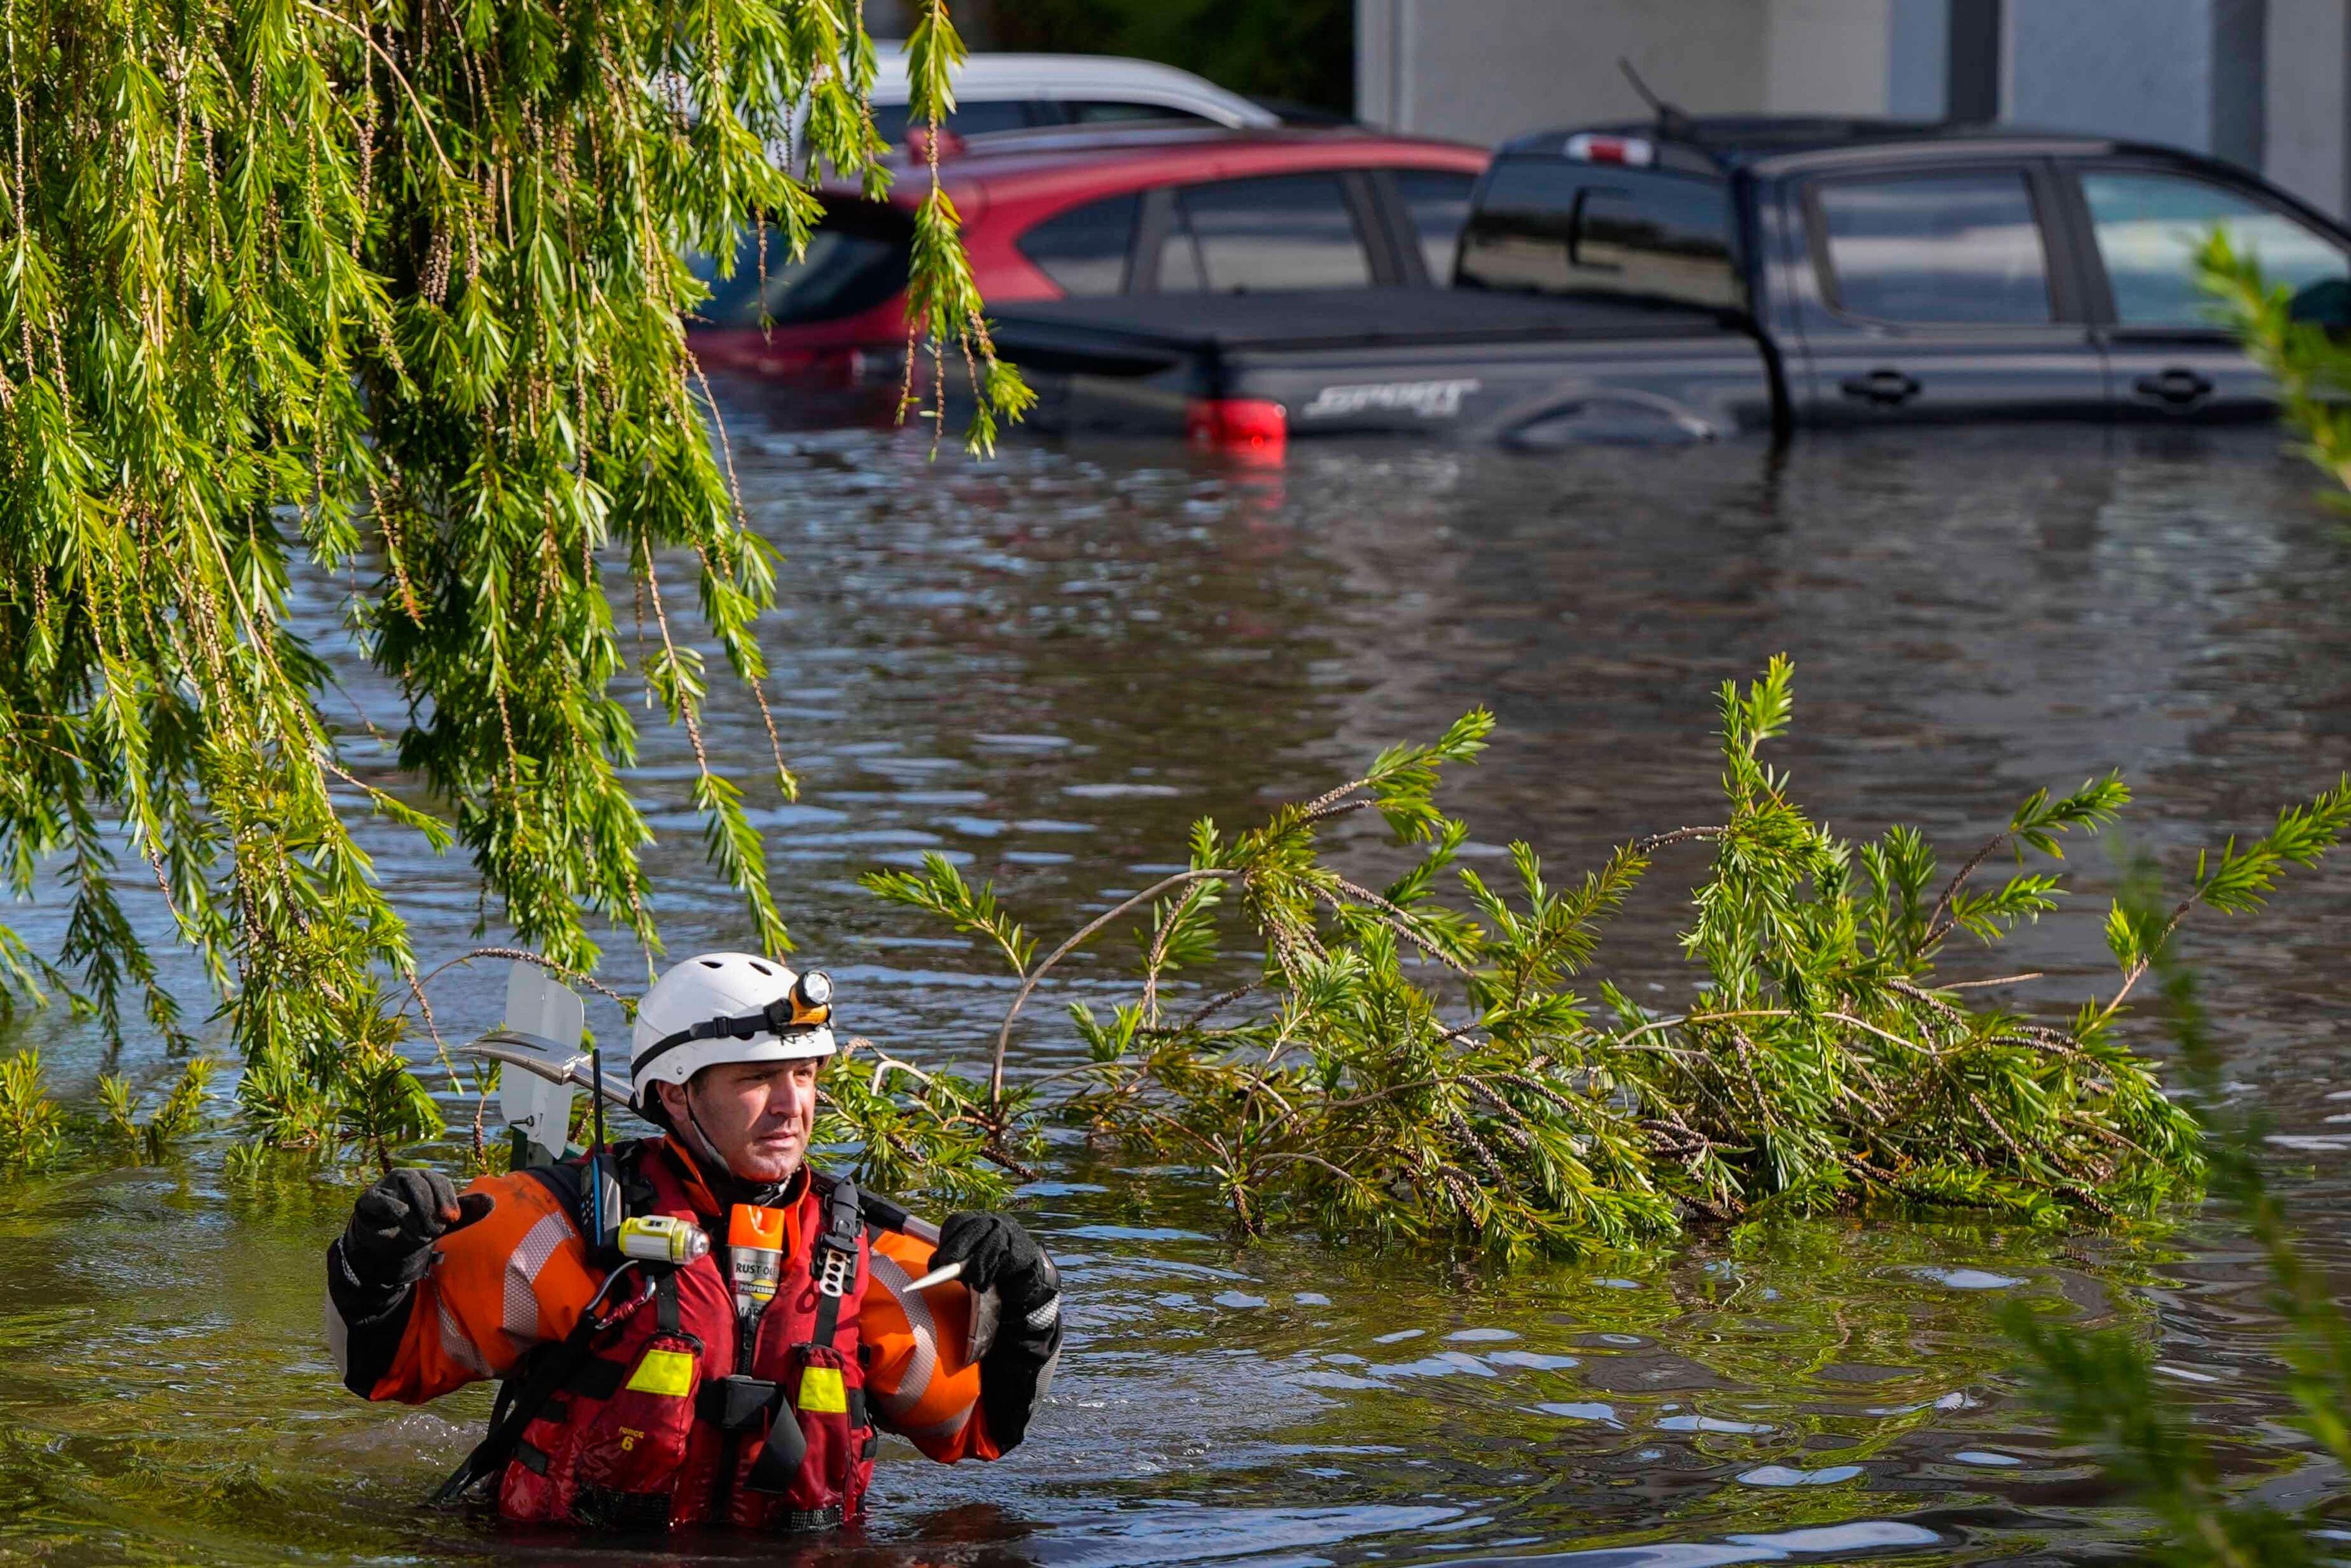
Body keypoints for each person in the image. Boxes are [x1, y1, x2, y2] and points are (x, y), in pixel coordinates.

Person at [324, 953, 1061, 1533]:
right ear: (676, 1093)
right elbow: (379, 1368)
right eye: (758, 1078)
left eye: (804, 1074)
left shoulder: (867, 1255)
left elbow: (979, 1431)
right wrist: (378, 1261)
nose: (792, 1104)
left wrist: (1031, 1300)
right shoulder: (558, 1225)